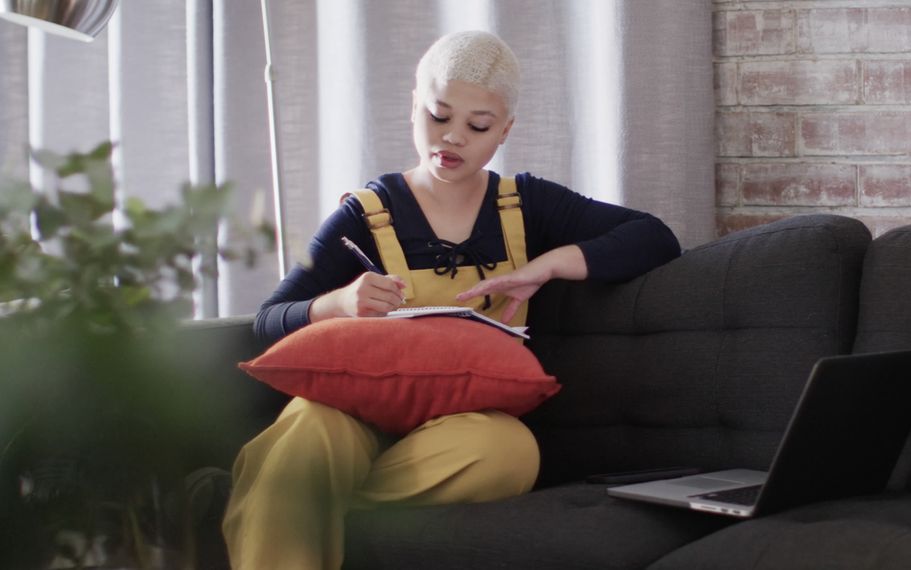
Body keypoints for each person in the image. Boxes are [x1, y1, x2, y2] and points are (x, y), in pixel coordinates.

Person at [222, 30, 681, 569]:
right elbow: (268, 321)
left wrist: (548, 265)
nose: (453, 138)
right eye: (438, 117)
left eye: (478, 126)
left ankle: (308, 510)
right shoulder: (365, 213)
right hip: (354, 412)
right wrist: (339, 303)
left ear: (505, 129)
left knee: (510, 451)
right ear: (413, 106)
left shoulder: (525, 203)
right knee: (307, 433)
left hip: (460, 424)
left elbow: (653, 236)